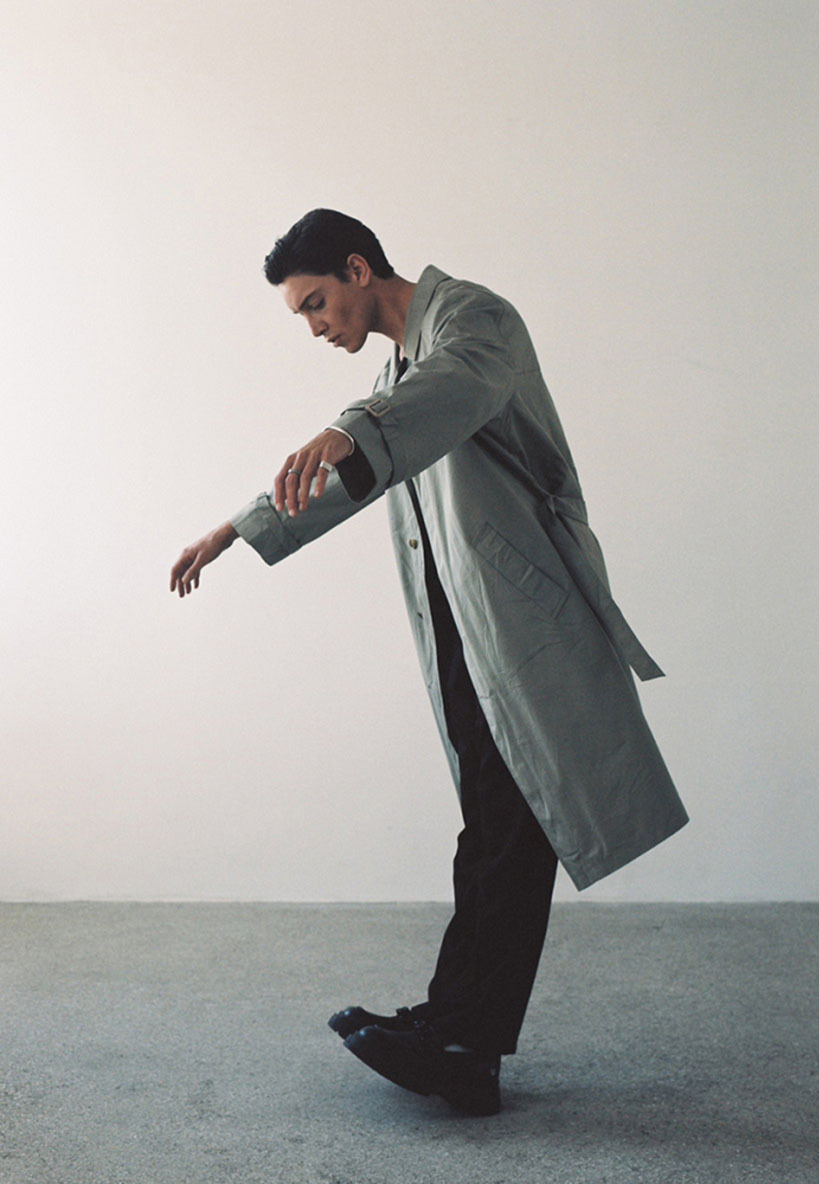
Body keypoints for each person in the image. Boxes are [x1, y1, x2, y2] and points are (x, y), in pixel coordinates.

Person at [170, 208, 688, 1117]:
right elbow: (349, 469)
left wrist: (351, 427)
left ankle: (465, 1046)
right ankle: (451, 1021)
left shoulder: (473, 322)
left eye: (316, 302)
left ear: (358, 268)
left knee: (513, 824)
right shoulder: (392, 374)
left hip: (523, 614)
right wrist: (238, 528)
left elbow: (448, 394)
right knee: (491, 819)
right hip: (465, 621)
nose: (315, 326)